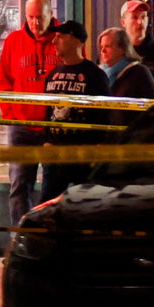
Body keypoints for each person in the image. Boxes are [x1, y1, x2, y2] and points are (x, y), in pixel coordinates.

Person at [0, 0, 59, 224]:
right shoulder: (14, 41)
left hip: (53, 127)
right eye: (31, 17)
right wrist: (11, 115)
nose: (35, 22)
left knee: (53, 187)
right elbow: (3, 81)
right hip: (22, 126)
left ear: (50, 14)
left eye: (40, 17)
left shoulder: (62, 39)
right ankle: (21, 241)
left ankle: (49, 240)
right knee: (20, 186)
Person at [38, 20, 109, 204]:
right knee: (48, 203)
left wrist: (98, 146)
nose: (54, 41)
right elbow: (48, 111)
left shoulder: (94, 75)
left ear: (76, 40)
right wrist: (46, 139)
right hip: (56, 153)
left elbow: (104, 114)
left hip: (83, 153)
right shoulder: (53, 74)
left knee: (86, 202)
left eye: (61, 37)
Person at [97, 26, 154, 128]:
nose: (103, 51)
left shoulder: (139, 72)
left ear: (122, 49)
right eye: (101, 47)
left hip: (132, 134)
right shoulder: (100, 73)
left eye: (108, 46)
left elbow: (152, 108)